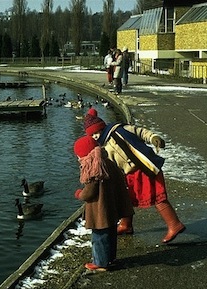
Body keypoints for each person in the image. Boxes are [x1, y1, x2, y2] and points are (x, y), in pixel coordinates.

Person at [83, 108, 186, 243]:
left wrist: (153, 137)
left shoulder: (120, 130)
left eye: (97, 132)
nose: (96, 136)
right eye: (93, 135)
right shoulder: (103, 146)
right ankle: (126, 225)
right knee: (127, 198)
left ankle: (174, 224)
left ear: (102, 127)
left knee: (156, 196)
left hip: (144, 167)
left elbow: (139, 132)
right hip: (129, 174)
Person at [73, 136, 134, 271]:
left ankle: (100, 263)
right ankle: (110, 258)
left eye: (79, 156)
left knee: (99, 237)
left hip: (100, 210)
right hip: (111, 206)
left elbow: (89, 193)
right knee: (110, 235)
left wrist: (79, 194)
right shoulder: (108, 161)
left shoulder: (93, 167)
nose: (78, 159)